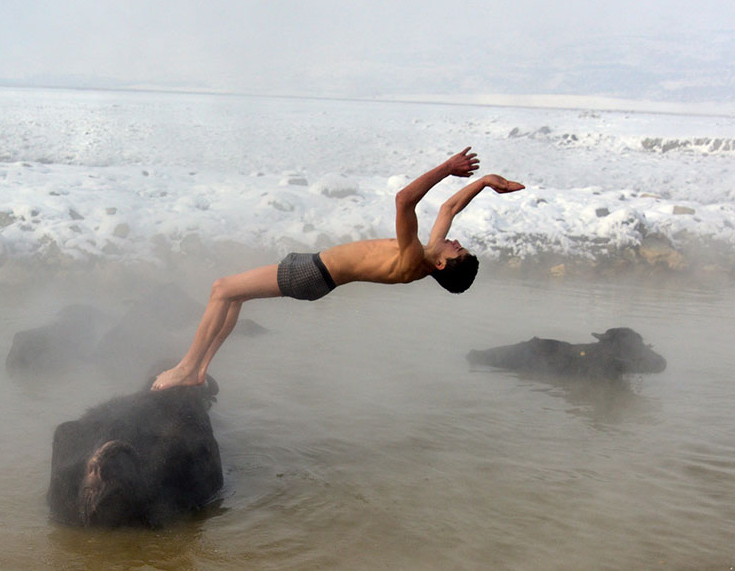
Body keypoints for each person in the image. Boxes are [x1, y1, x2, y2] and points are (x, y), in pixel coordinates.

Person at [151, 147, 524, 391]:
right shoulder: (427, 256)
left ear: (443, 264)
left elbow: (404, 200)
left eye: (458, 250)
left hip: (313, 274)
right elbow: (448, 209)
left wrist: (446, 168)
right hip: (315, 271)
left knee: (221, 288)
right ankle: (199, 371)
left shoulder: (413, 260)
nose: (457, 241)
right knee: (236, 296)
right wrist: (486, 182)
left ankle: (186, 368)